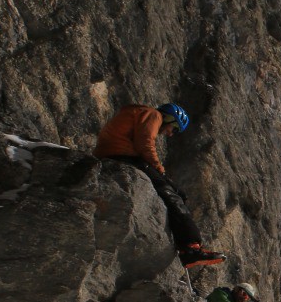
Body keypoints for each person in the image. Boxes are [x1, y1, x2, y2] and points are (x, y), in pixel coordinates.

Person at [94, 102, 225, 268]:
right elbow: (145, 142)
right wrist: (159, 169)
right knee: (172, 193)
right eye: (174, 128)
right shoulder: (153, 115)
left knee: (173, 190)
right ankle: (191, 247)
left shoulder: (137, 113)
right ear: (170, 118)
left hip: (114, 155)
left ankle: (187, 244)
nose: (170, 134)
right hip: (123, 157)